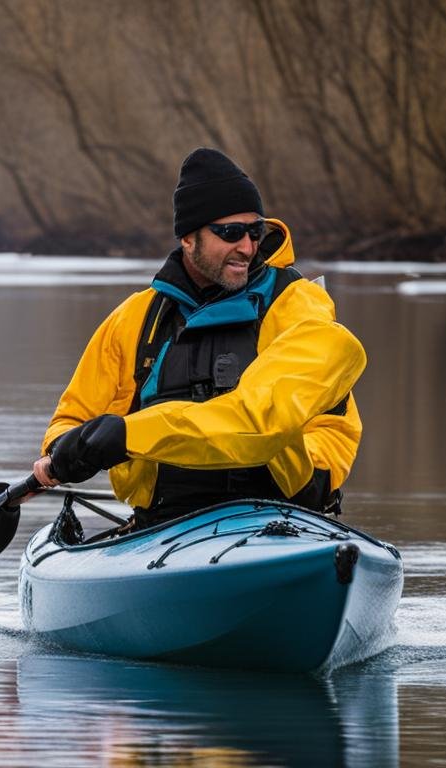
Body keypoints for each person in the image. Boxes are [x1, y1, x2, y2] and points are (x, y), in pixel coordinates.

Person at [32, 147, 365, 530]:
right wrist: (64, 450)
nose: (247, 247)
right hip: (163, 521)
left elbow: (259, 423)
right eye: (230, 233)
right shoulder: (135, 319)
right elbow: (72, 417)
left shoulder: (302, 307)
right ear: (188, 238)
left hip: (285, 509)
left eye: (255, 231)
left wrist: (126, 435)